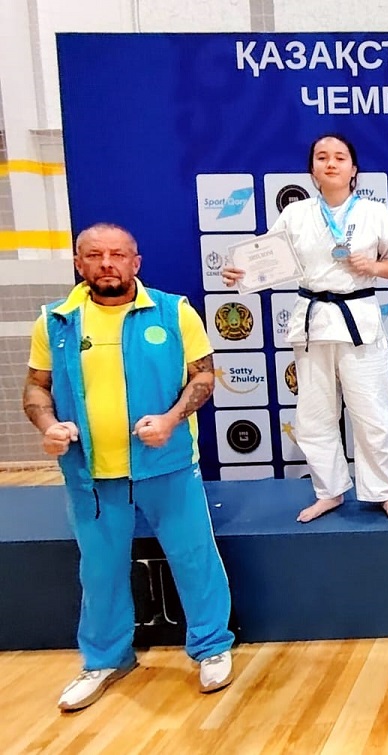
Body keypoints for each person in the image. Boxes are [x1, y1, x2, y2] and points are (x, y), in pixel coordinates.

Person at [24, 223, 235, 711]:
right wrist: (49, 425)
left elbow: (204, 376)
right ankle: (104, 659)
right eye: (95, 254)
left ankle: (211, 647)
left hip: (167, 465)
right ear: (79, 263)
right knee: (99, 571)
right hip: (91, 475)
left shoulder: (173, 311)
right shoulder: (55, 320)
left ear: (135, 263)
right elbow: (36, 386)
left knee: (194, 558)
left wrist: (171, 419)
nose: (107, 263)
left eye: (117, 255)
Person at [222, 134, 388, 523]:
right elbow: (268, 260)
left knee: (372, 413)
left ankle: (383, 492)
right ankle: (329, 491)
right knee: (314, 416)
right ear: (312, 170)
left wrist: (374, 267)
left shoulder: (375, 213)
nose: (331, 163)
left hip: (358, 320)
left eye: (340, 157)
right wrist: (240, 272)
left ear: (353, 169)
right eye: (322, 157)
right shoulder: (295, 215)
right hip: (312, 322)